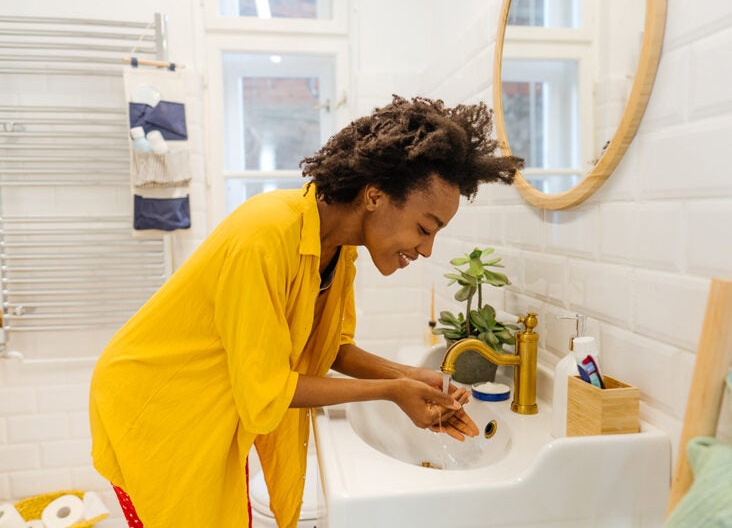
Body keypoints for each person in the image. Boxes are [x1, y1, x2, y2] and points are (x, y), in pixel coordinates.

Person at [89, 95, 523, 528]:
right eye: (424, 228)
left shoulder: (337, 250)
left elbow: (330, 348)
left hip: (211, 412)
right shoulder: (267, 233)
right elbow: (267, 392)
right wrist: (392, 391)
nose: (427, 248)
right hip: (155, 405)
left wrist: (412, 377)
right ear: (375, 195)